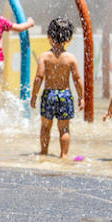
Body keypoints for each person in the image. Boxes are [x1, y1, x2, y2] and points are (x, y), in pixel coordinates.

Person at [31, 17, 84, 160]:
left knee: (45, 127)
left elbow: (39, 77)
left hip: (49, 95)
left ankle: (44, 152)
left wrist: (34, 95)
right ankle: (64, 155)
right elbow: (77, 80)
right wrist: (81, 97)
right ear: (69, 38)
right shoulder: (70, 58)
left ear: (49, 36)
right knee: (64, 128)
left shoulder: (45, 57)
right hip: (65, 95)